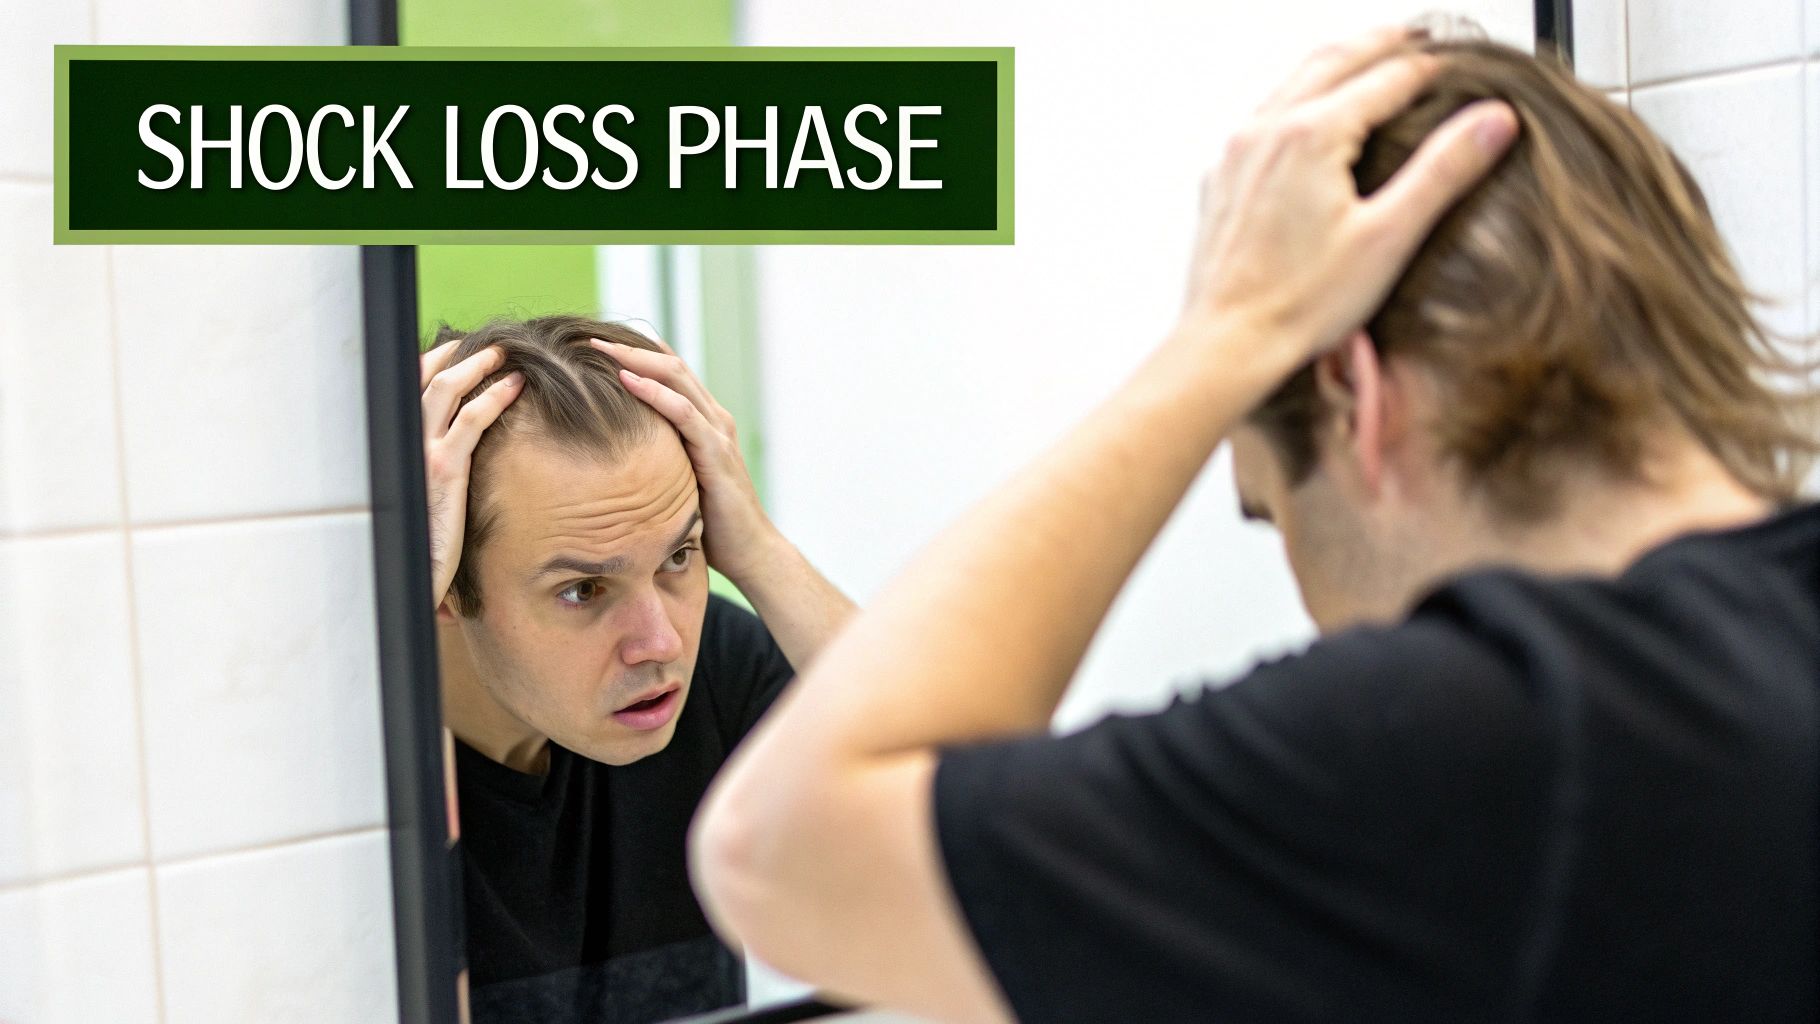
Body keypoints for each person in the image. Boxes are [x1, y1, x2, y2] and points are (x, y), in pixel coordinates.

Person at [689, 26, 1820, 1024]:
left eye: (1269, 512)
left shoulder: (1495, 734)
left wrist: (1227, 334)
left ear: (1351, 390)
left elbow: (775, 851)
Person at [416, 314, 853, 1024]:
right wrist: (388, 606)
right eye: (583, 589)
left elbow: (981, 820)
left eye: (678, 556)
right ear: (444, 591)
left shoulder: (713, 669)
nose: (660, 642)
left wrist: (759, 550)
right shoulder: (351, 794)